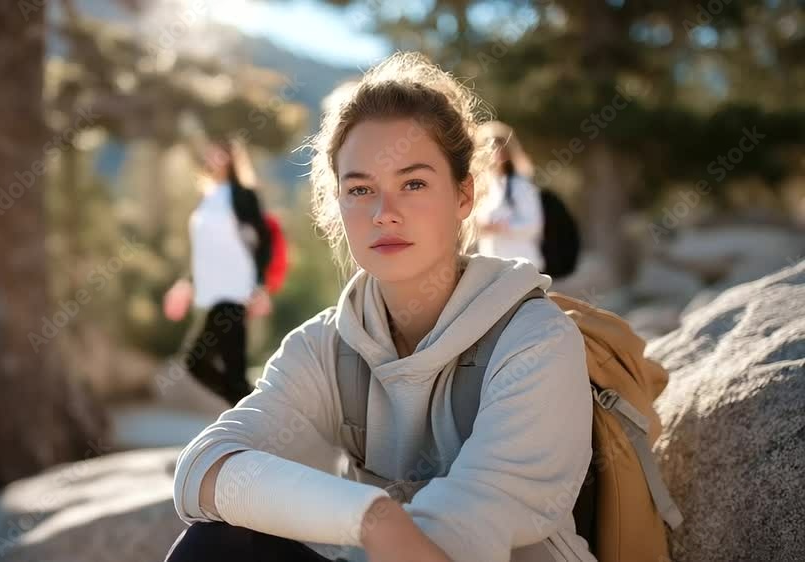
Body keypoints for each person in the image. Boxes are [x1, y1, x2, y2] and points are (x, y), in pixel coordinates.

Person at [167, 52, 594, 562]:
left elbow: (454, 542)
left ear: (464, 195)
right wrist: (372, 517)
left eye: (413, 183)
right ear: (337, 203)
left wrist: (367, 523)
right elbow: (202, 469)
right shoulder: (325, 345)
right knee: (215, 545)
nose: (384, 213)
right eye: (361, 189)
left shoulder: (535, 340)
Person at [163, 137, 273, 406]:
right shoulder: (207, 196)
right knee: (221, 368)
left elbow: (264, 240)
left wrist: (259, 284)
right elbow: (203, 249)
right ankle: (253, 411)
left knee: (199, 361)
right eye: (212, 153)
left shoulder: (243, 195)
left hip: (235, 289)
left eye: (222, 154)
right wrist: (186, 283)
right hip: (212, 292)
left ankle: (253, 413)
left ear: (233, 159)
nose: (215, 159)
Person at [473, 121, 546, 271]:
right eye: (489, 147)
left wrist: (500, 227)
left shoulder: (521, 185)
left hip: (521, 267)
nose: (494, 153)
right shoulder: (481, 186)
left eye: (498, 147)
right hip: (491, 267)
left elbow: (533, 225)